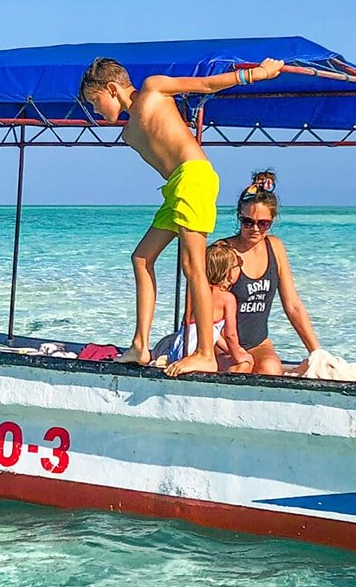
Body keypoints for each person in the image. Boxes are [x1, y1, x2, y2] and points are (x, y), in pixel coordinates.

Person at [79, 55, 285, 375]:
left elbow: (206, 84)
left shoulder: (153, 89)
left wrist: (258, 74)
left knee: (193, 265)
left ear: (111, 88)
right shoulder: (128, 132)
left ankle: (205, 352)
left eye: (95, 102)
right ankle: (139, 346)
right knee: (142, 258)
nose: (95, 111)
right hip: (175, 188)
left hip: (194, 177)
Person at [221, 171, 325, 376]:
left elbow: (293, 305)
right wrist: (234, 350)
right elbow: (201, 312)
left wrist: (317, 352)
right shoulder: (223, 252)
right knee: (241, 369)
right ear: (239, 217)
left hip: (258, 342)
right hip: (222, 344)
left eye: (263, 223)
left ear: (272, 221)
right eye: (247, 222)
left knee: (270, 368)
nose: (255, 229)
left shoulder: (275, 247)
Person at [157, 241, 252, 372]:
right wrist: (238, 355)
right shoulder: (227, 298)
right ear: (229, 272)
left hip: (179, 349)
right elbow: (230, 335)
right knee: (246, 363)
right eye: (238, 265)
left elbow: (212, 332)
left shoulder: (197, 293)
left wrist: (231, 350)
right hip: (196, 351)